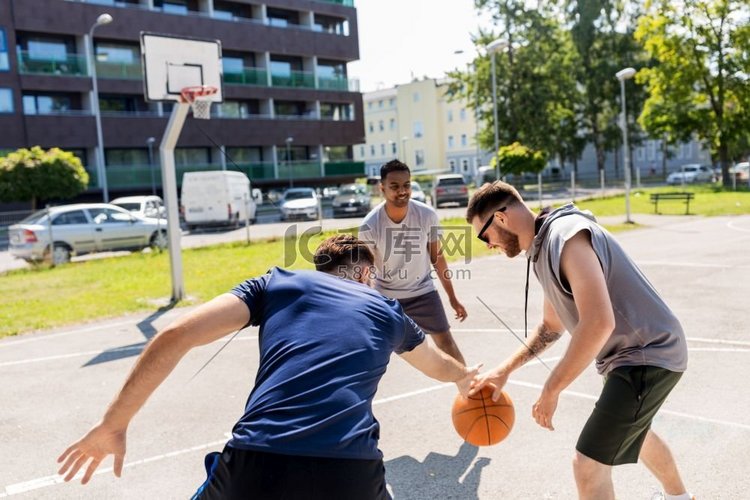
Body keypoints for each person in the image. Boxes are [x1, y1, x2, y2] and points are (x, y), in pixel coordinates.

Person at [57, 234, 479, 499]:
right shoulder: (385, 309)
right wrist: (465, 379)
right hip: (348, 469)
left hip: (258, 461)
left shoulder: (277, 282)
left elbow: (175, 335)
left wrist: (114, 423)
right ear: (366, 272)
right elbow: (436, 365)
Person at [465, 181, 692, 500]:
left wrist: (551, 388)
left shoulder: (565, 237)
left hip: (647, 354)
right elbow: (550, 326)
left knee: (587, 465)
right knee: (637, 435)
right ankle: (680, 498)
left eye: (483, 235)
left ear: (500, 219)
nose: (487, 245)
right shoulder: (544, 248)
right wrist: (504, 371)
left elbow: (598, 322)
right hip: (634, 357)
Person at [359, 160, 468, 364]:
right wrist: (366, 305)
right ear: (381, 188)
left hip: (423, 292)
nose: (402, 191)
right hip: (387, 298)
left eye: (406, 185)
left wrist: (452, 297)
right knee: (372, 353)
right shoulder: (370, 225)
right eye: (394, 186)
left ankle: (471, 390)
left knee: (447, 344)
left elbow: (438, 257)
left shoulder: (426, 215)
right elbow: (366, 272)